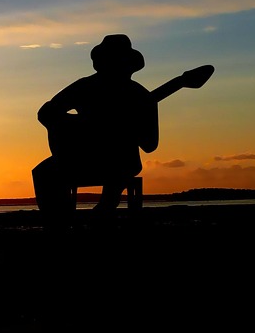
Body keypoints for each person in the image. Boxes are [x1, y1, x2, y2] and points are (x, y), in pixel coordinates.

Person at [31, 34, 159, 229]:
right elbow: (47, 112)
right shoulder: (86, 86)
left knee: (46, 173)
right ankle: (61, 226)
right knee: (44, 172)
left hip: (121, 160)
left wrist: (129, 127)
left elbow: (150, 144)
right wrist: (79, 124)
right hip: (83, 159)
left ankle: (94, 212)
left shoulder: (141, 96)